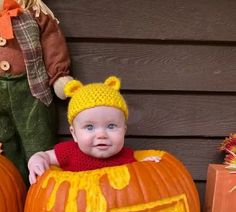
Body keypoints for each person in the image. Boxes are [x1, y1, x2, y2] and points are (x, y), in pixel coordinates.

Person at [28, 76, 161, 184]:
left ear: (124, 131)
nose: (101, 135)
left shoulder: (127, 158)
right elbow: (44, 156)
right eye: (89, 127)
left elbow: (140, 178)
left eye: (111, 126)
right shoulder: (69, 152)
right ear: (74, 134)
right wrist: (36, 161)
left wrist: (147, 165)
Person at [0, 0, 73, 184]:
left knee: (39, 142)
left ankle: (41, 193)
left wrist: (59, 75)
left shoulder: (35, 12)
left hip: (33, 91)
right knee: (7, 146)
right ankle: (16, 193)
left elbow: (52, 44)